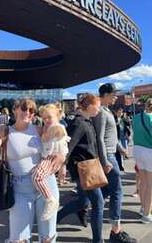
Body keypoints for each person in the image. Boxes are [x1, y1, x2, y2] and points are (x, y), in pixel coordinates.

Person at [0, 98, 65, 243]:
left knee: (48, 237)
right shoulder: (5, 131)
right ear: (15, 109)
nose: (28, 112)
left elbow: (57, 145)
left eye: (32, 110)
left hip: (46, 185)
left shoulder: (38, 130)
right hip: (20, 190)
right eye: (24, 108)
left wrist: (62, 158)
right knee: (19, 238)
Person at [57, 94, 104, 243]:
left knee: (83, 202)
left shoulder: (86, 121)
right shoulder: (79, 123)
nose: (99, 109)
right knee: (98, 203)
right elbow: (67, 148)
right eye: (98, 106)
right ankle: (98, 240)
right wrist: (62, 166)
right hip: (84, 170)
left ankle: (54, 218)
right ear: (90, 107)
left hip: (89, 168)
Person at [93, 83, 136, 243]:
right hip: (108, 158)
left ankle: (83, 208)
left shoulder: (106, 111)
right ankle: (115, 232)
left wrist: (121, 148)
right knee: (117, 191)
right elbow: (100, 138)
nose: (116, 97)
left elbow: (111, 136)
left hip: (111, 154)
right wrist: (105, 161)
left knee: (102, 193)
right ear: (104, 95)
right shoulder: (101, 113)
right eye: (113, 94)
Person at [32, 103, 70, 220]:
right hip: (48, 157)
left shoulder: (57, 127)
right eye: (44, 118)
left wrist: (47, 132)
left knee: (37, 177)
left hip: (51, 158)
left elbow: (58, 132)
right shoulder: (47, 127)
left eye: (49, 117)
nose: (46, 120)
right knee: (37, 176)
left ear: (58, 116)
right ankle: (49, 199)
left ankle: (50, 200)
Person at [132, 98, 152, 223]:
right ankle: (146, 214)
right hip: (149, 151)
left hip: (137, 149)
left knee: (143, 182)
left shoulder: (136, 117)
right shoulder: (151, 118)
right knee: (150, 185)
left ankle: (143, 207)